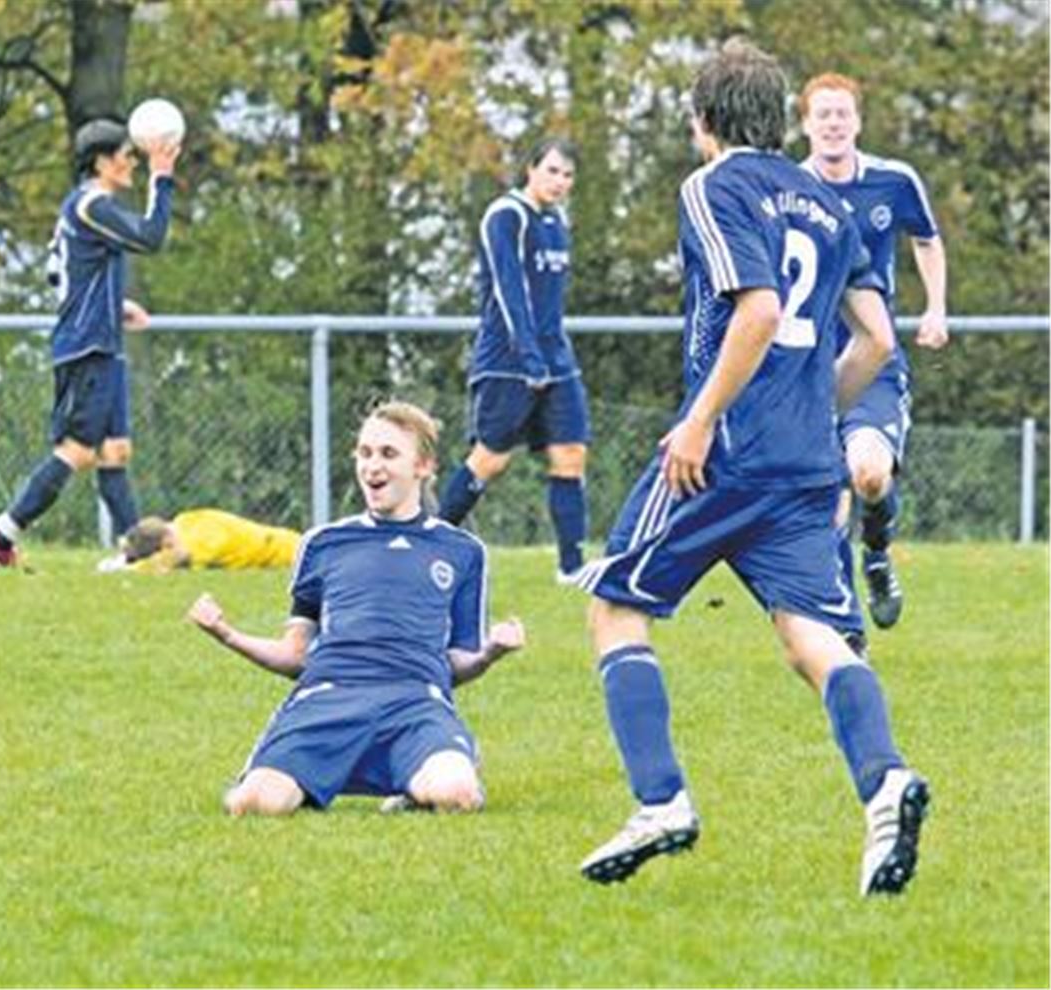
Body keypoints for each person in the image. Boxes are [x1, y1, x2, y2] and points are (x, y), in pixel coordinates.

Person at [573, 40, 929, 896]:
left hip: (723, 455)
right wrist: (813, 414)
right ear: (779, 118)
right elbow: (879, 341)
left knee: (616, 606)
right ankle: (885, 783)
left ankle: (661, 801)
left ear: (703, 120)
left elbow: (760, 309)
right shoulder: (829, 203)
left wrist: (699, 422)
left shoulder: (712, 186)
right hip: (806, 462)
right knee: (813, 641)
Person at [188, 401, 526, 817]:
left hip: (415, 703)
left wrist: (491, 652)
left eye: (388, 454)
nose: (372, 466)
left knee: (458, 794)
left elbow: (455, 663)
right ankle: (298, 773)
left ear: (423, 466)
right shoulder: (322, 543)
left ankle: (422, 781)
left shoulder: (462, 550)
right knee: (253, 805)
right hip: (327, 699)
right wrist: (225, 633)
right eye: (365, 453)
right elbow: (295, 655)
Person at [0, 117, 181, 567]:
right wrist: (162, 177)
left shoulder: (83, 207)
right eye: (126, 155)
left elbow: (60, 274)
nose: (133, 162)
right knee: (77, 450)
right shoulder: (92, 205)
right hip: (87, 347)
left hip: (100, 341)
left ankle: (133, 554)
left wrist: (114, 305)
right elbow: (151, 237)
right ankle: (1, 535)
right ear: (102, 162)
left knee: (115, 451)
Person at [800, 72, 949, 630]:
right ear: (805, 125)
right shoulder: (789, 188)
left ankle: (878, 553)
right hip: (807, 363)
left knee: (867, 475)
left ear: (858, 121)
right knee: (824, 500)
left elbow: (927, 240)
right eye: (823, 114)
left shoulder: (894, 180)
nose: (833, 123)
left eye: (842, 113)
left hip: (874, 359)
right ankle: (843, 628)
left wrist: (935, 307)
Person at [437, 137, 591, 582]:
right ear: (531, 169)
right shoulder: (506, 215)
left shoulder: (557, 221)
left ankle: (572, 569)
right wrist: (529, 356)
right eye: (552, 171)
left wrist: (549, 356)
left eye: (568, 175)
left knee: (570, 452)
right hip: (509, 361)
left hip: (557, 360)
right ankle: (430, 541)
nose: (560, 181)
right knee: (491, 459)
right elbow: (510, 291)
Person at [103, 509, 302, 573]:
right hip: (289, 539)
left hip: (293, 555)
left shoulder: (198, 545)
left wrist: (129, 569)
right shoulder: (185, 519)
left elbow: (176, 558)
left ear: (165, 544)